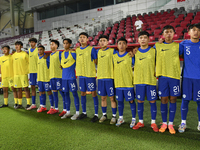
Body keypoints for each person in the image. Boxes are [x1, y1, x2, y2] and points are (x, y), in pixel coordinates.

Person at [154, 25, 181, 134]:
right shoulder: (157, 46)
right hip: (162, 77)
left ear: (174, 34)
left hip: (174, 76)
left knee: (173, 99)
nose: (168, 34)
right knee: (164, 100)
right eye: (166, 32)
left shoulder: (179, 46)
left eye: (171, 32)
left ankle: (171, 124)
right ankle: (164, 123)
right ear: (163, 34)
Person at [132, 31, 158, 132]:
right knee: (140, 101)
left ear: (149, 39)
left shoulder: (154, 51)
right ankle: (141, 122)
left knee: (152, 102)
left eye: (145, 37)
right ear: (138, 40)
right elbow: (133, 65)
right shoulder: (135, 53)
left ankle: (153, 122)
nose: (143, 39)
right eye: (141, 38)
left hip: (150, 80)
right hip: (139, 81)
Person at [178, 23, 200, 133]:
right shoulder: (183, 44)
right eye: (193, 30)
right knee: (185, 100)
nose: (196, 32)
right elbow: (171, 52)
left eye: (198, 30)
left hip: (199, 79)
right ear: (189, 32)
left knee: (199, 102)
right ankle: (183, 122)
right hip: (187, 77)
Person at [75, 32, 99, 122]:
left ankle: (96, 114)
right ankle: (84, 113)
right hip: (81, 76)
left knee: (93, 93)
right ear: (78, 39)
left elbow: (96, 61)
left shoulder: (91, 49)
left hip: (90, 75)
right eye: (80, 37)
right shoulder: (77, 50)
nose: (82, 39)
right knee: (82, 93)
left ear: (87, 39)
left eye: (84, 37)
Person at [113, 37, 136, 128]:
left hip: (128, 83)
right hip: (118, 83)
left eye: (123, 43)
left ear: (126, 45)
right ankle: (121, 118)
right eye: (119, 43)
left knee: (131, 101)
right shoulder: (114, 56)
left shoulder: (130, 56)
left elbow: (135, 66)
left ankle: (133, 119)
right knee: (120, 101)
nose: (121, 45)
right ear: (117, 45)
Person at [97, 35, 117, 124]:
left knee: (112, 98)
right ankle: (104, 115)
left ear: (107, 42)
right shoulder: (97, 52)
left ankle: (114, 116)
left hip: (110, 78)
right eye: (100, 40)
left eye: (104, 40)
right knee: (103, 98)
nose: (102, 42)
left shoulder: (112, 51)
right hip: (101, 78)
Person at [60, 38, 80, 120]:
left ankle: (77, 113)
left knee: (74, 94)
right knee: (66, 94)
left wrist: (76, 49)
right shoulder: (62, 54)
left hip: (71, 77)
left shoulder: (73, 53)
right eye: (64, 43)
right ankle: (68, 112)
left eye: (67, 43)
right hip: (64, 78)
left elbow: (79, 60)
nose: (65, 45)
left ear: (70, 44)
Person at [48, 40, 65, 115]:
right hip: (52, 77)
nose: (51, 46)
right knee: (54, 93)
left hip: (59, 77)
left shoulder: (60, 53)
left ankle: (65, 109)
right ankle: (56, 109)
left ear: (57, 46)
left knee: (62, 93)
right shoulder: (50, 55)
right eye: (50, 44)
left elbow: (63, 65)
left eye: (53, 44)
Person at [12, 41, 31, 109]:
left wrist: (27, 71)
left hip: (23, 74)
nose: (16, 46)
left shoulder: (25, 54)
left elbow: (29, 63)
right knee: (18, 89)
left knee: (26, 88)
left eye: (18, 45)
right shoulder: (13, 55)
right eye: (16, 45)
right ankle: (19, 104)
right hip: (16, 75)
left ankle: (28, 103)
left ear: (21, 46)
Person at [36, 45, 54, 113]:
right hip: (40, 78)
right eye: (39, 50)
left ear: (44, 50)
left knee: (49, 92)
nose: (39, 51)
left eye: (41, 49)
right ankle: (42, 106)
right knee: (41, 92)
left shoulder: (47, 57)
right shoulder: (37, 57)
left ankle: (52, 107)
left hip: (46, 78)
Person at [27, 38, 38, 110]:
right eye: (30, 42)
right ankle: (33, 104)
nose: (31, 43)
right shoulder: (28, 50)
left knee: (41, 89)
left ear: (35, 43)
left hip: (38, 72)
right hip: (31, 72)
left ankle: (43, 105)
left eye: (33, 42)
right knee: (32, 88)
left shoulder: (38, 50)